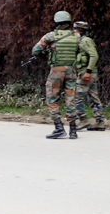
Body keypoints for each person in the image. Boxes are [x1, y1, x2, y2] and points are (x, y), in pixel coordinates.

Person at [32, 11, 81, 140]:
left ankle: (59, 128)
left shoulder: (50, 36)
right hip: (72, 70)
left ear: (56, 21)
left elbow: (35, 50)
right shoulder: (77, 36)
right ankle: (73, 131)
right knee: (70, 99)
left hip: (56, 71)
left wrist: (46, 52)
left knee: (52, 98)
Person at [72, 21, 105, 131]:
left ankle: (83, 120)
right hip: (88, 73)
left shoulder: (85, 41)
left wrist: (88, 71)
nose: (73, 31)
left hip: (86, 74)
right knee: (93, 98)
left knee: (77, 98)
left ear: (78, 31)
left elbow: (94, 55)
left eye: (74, 29)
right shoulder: (82, 40)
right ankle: (100, 122)